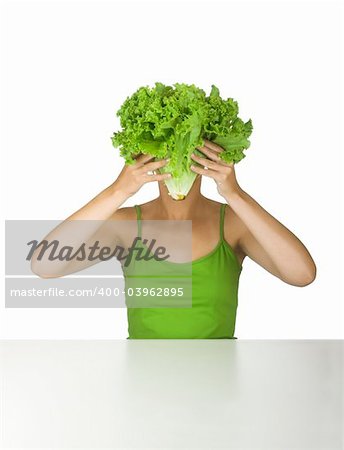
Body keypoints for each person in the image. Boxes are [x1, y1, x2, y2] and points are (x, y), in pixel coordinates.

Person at [31, 138, 317, 339]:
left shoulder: (232, 223)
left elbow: (302, 274)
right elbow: (44, 265)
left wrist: (235, 194)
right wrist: (118, 190)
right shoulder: (127, 225)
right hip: (143, 385)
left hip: (219, 385)